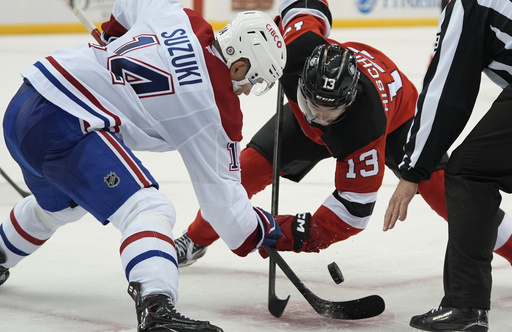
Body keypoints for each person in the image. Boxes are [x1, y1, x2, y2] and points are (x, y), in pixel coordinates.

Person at [0, 1, 286, 332]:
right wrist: (260, 229)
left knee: (61, 206)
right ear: (238, 66)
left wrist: (112, 34)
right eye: (253, 79)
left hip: (25, 103)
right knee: (149, 208)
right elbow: (227, 214)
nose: (250, 89)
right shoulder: (217, 111)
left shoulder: (181, 17)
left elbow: (128, 4)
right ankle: (156, 309)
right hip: (63, 124)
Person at [173, 0, 512, 268]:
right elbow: (305, 5)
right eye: (312, 104)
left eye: (329, 112)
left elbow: (350, 215)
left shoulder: (363, 128)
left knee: (450, 195)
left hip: (398, 122)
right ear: (302, 80)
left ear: (348, 102)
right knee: (244, 170)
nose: (319, 117)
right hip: (318, 113)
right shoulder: (297, 48)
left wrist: (283, 232)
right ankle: (194, 239)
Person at [383, 0, 512, 332]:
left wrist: (412, 170)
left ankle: (466, 303)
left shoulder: (468, 4)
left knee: (470, 170)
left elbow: (448, 90)